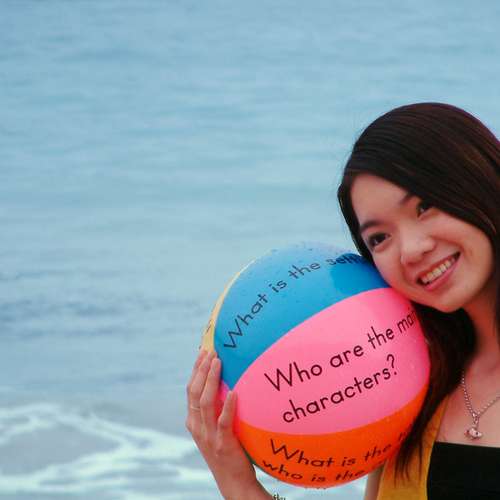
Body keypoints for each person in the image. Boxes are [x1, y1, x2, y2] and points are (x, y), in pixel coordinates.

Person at [186, 102, 500, 499]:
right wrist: (238, 482)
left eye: (424, 207)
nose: (411, 250)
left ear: (480, 180)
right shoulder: (416, 386)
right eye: (379, 238)